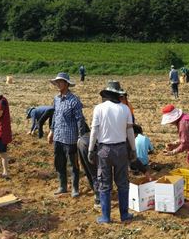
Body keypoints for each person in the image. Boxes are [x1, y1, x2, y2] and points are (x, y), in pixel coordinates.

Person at [88, 81, 136, 223]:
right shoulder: (125, 109)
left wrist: (91, 149)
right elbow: (130, 131)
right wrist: (133, 149)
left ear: (107, 94)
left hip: (104, 150)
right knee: (122, 183)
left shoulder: (99, 108)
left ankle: (106, 217)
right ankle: (124, 215)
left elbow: (94, 130)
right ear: (118, 94)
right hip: (121, 149)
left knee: (104, 183)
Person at [48, 72, 85, 197]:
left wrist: (80, 137)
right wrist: (51, 131)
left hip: (70, 138)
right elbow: (55, 116)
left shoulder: (74, 100)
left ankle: (75, 188)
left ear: (67, 84)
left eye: (61, 82)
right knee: (59, 162)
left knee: (73, 164)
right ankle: (62, 186)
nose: (58, 84)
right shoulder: (56, 99)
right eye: (57, 82)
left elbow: (80, 119)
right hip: (58, 136)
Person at [76, 121, 100, 208]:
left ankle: (96, 192)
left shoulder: (86, 134)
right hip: (88, 145)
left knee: (89, 171)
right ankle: (99, 199)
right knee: (96, 172)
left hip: (81, 143)